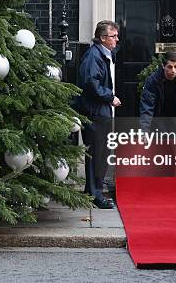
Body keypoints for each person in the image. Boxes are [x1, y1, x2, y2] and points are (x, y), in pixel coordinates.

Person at [75, 20, 121, 209]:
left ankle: (91, 190)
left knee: (100, 153)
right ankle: (96, 195)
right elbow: (91, 84)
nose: (117, 39)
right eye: (113, 36)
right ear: (103, 38)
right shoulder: (94, 56)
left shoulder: (103, 54)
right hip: (95, 112)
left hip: (100, 111)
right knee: (98, 154)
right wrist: (110, 97)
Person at [139, 51, 176, 135]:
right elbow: (147, 106)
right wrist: (145, 130)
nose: (173, 70)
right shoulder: (153, 81)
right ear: (163, 66)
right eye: (169, 67)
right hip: (159, 118)